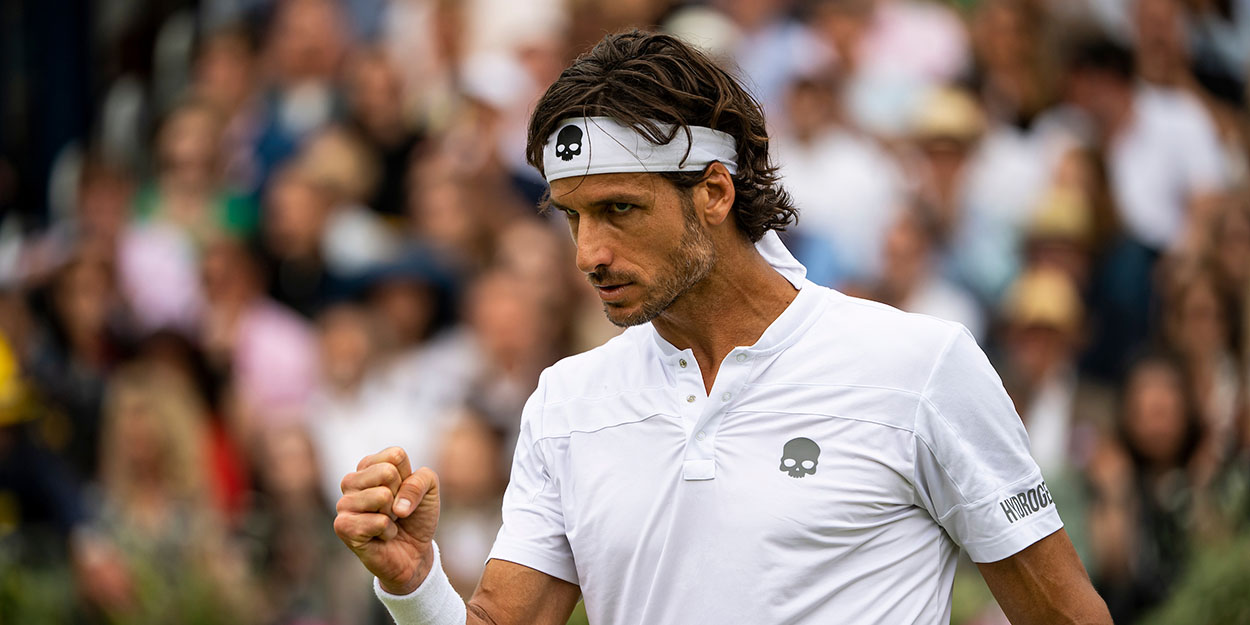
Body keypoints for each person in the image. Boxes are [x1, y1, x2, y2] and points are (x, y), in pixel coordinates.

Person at [333, 30, 1112, 624]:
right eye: (572, 216)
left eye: (620, 210)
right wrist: (413, 583)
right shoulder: (566, 402)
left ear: (714, 189)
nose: (589, 253)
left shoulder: (920, 365)